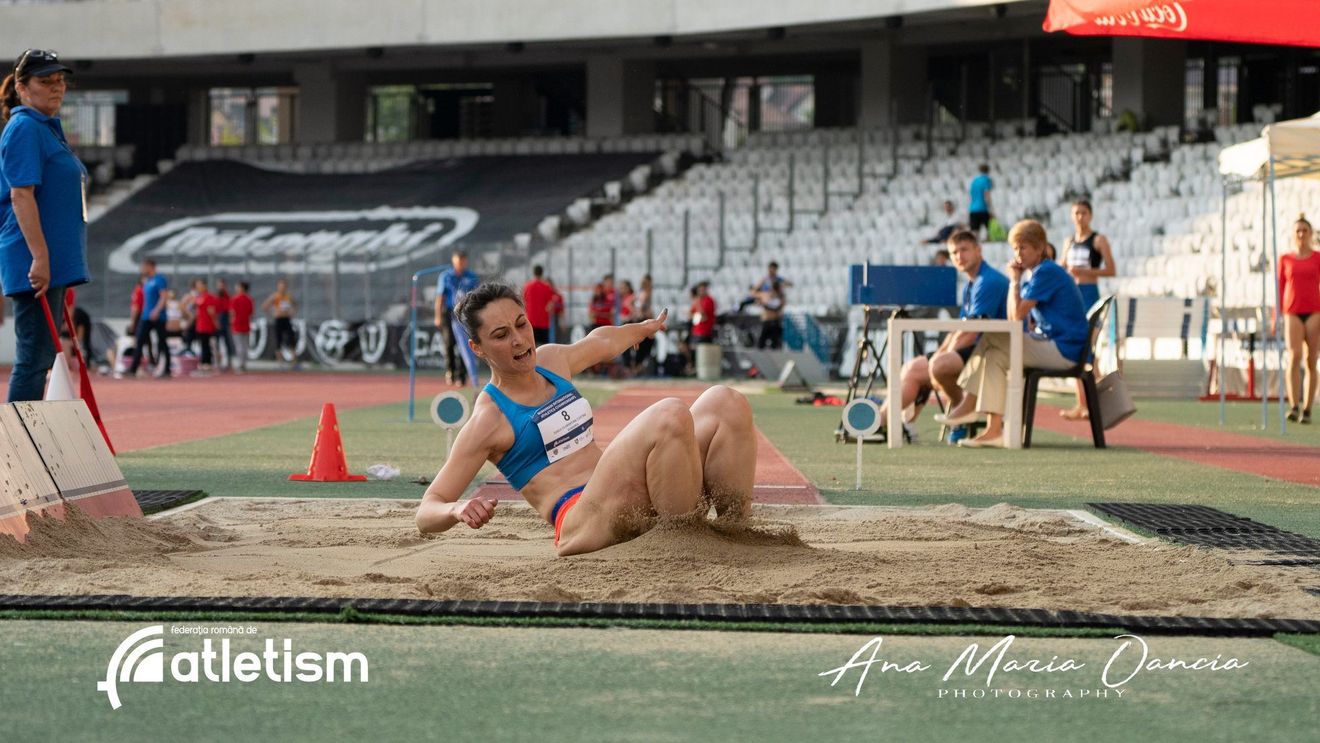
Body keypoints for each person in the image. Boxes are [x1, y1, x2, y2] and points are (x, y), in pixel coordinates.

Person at [415, 282, 755, 556]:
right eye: (501, 335)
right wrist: (455, 510)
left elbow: (600, 342)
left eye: (521, 324)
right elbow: (427, 509)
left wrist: (640, 329)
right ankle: (682, 544)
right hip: (582, 519)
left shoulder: (550, 362)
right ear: (477, 348)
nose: (519, 340)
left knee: (726, 401)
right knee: (670, 414)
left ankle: (734, 532)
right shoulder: (489, 419)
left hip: (626, 493)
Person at [937, 220, 1087, 448]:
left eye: (1023, 247)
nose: (1018, 254)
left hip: (1065, 350)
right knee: (995, 356)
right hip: (1052, 344)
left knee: (990, 338)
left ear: (1040, 248)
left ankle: (968, 404)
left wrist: (1014, 280)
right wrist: (1016, 283)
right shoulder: (1036, 274)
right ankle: (994, 429)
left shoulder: (1046, 272)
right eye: (1015, 248)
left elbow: (1015, 317)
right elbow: (1012, 319)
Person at [1, 49, 90, 402]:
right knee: (33, 360)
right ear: (22, 89)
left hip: (49, 261)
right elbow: (21, 195)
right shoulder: (24, 127)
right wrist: (39, 257)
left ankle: (26, 441)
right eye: (45, 81)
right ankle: (16, 448)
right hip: (34, 258)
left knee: (40, 358)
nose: (56, 87)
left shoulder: (46, 129)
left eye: (60, 80)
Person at [880, 231, 1009, 437]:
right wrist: (941, 352)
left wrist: (940, 358)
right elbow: (960, 327)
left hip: (991, 351)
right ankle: (899, 424)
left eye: (964, 250)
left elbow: (971, 332)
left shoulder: (989, 281)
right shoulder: (971, 283)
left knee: (934, 367)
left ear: (978, 249)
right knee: (912, 369)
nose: (959, 256)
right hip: (976, 349)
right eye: (954, 252)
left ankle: (883, 423)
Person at [1060, 199, 1117, 421]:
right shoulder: (1069, 241)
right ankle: (1083, 404)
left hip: (1090, 294)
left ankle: (1099, 402)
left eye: (1083, 213)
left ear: (1090, 215)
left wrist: (1087, 272)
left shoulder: (1098, 240)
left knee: (1087, 350)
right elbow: (1063, 267)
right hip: (1073, 297)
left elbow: (1111, 269)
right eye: (1076, 213)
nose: (1079, 217)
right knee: (1077, 350)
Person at [1279, 214, 1320, 423]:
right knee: (1293, 356)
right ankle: (1294, 405)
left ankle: (1308, 408)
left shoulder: (1317, 258)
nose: (1301, 234)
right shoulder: (1285, 259)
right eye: (1298, 230)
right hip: (1292, 311)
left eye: (1305, 230)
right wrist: (1276, 315)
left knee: (1311, 359)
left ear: (1311, 233)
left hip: (1314, 311)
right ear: (1293, 234)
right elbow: (1280, 287)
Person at [433, 249, 480, 385]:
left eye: (462, 261)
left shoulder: (471, 277)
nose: (460, 263)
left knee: (466, 345)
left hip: (465, 313)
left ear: (465, 261)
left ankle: (462, 376)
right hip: (449, 312)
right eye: (457, 261)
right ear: (454, 261)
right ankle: (450, 372)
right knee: (449, 343)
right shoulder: (446, 276)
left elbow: (477, 296)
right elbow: (440, 297)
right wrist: (437, 316)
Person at [123, 259, 169, 379]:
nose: (142, 269)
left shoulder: (159, 279)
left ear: (150, 266)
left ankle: (167, 369)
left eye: (144, 266)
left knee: (162, 342)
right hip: (146, 316)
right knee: (139, 341)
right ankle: (133, 369)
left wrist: (157, 310)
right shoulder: (147, 281)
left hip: (158, 316)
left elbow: (164, 297)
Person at [751, 261, 791, 350]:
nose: (771, 271)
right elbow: (753, 292)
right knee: (762, 341)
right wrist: (764, 295)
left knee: (775, 342)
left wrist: (780, 287)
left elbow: (790, 285)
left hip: (776, 318)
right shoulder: (765, 280)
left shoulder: (779, 281)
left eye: (773, 269)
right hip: (767, 317)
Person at [262, 277, 297, 365]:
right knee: (279, 340)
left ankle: (294, 362)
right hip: (278, 319)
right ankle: (280, 362)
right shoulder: (275, 296)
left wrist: (292, 312)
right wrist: (273, 313)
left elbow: (295, 305)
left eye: (284, 286)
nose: (282, 288)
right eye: (280, 286)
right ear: (278, 287)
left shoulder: (288, 296)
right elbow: (264, 306)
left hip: (287, 319)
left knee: (291, 339)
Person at [187, 277, 219, 372]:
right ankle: (204, 362)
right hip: (199, 325)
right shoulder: (198, 297)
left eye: (199, 285)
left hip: (207, 325)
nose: (198, 287)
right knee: (202, 344)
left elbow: (211, 311)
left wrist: (215, 323)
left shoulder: (208, 297)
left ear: (204, 286)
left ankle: (207, 363)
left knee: (206, 345)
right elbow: (190, 307)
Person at [521, 264, 555, 346]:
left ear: (533, 273)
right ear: (542, 273)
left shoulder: (527, 286)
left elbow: (523, 302)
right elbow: (550, 306)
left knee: (532, 346)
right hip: (544, 322)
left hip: (531, 321)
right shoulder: (547, 287)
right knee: (544, 347)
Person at [230, 281, 254, 374]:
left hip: (237, 325)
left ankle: (240, 364)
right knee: (244, 346)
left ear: (242, 288)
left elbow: (232, 312)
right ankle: (244, 363)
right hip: (246, 325)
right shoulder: (249, 299)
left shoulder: (235, 299)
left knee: (239, 346)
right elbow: (251, 313)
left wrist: (232, 322)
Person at [214, 277, 234, 371]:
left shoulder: (228, 297)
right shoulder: (215, 297)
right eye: (219, 285)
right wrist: (216, 321)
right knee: (217, 343)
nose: (220, 287)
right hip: (218, 320)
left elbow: (230, 310)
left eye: (222, 285)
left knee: (227, 342)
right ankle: (218, 362)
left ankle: (228, 362)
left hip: (225, 321)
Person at [968, 164, 993, 238]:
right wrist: (990, 208)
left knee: (975, 231)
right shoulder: (986, 180)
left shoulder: (974, 181)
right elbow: (986, 194)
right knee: (989, 229)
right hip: (983, 208)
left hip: (973, 208)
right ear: (988, 171)